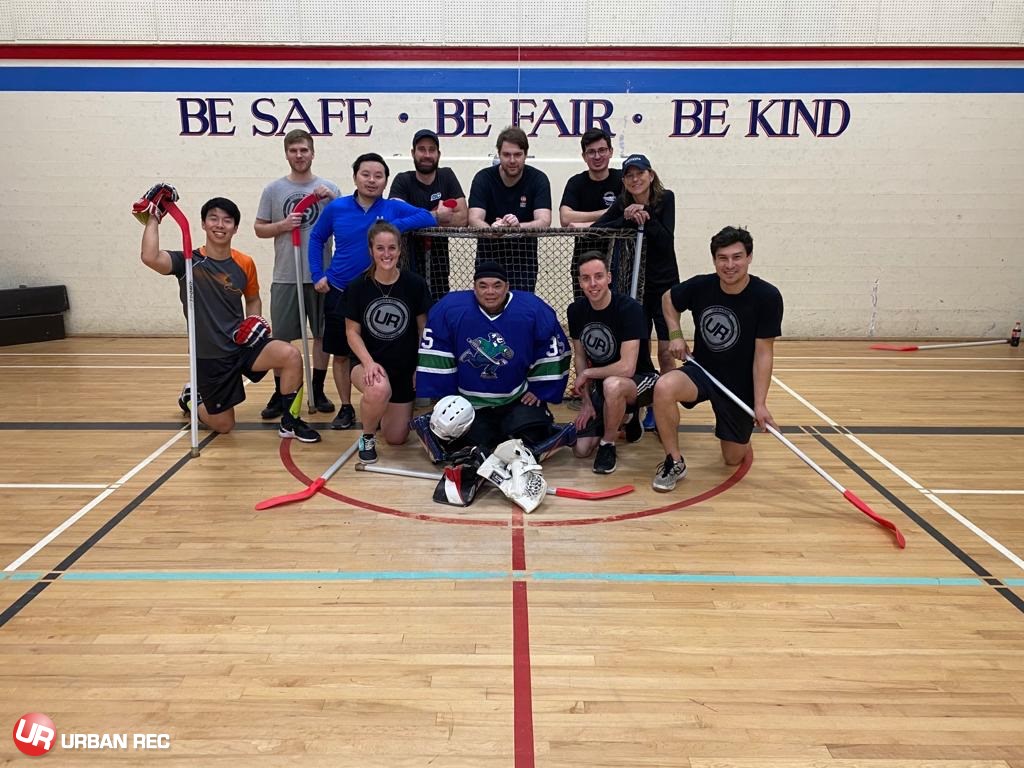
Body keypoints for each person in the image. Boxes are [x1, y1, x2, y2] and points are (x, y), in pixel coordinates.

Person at [137, 189, 320, 442]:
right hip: (211, 356)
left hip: (241, 346)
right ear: (203, 224)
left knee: (290, 355)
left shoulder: (244, 263)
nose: (219, 225)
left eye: (227, 220)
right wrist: (155, 217)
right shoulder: (189, 262)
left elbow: (253, 298)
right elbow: (150, 257)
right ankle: (191, 398)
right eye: (213, 218)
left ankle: (290, 422)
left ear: (235, 228)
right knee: (224, 425)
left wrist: (252, 321)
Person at [308, 152, 450, 431]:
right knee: (340, 354)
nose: (372, 180)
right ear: (355, 177)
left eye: (378, 176)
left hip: (379, 293)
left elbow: (426, 217)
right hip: (340, 289)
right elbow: (316, 238)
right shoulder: (337, 208)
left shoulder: (392, 208)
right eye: (366, 174)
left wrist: (391, 227)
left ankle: (382, 400)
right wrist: (317, 274)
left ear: (385, 180)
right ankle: (347, 408)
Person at [650, 226, 783, 492]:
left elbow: (763, 354)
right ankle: (674, 460)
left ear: (749, 257)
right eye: (723, 258)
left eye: (737, 257)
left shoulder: (767, 297)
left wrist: (760, 404)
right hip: (703, 371)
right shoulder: (702, 286)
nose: (730, 265)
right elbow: (668, 299)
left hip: (739, 384)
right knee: (664, 386)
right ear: (714, 260)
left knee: (732, 458)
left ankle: (733, 428)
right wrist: (675, 334)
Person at [413, 261, 572, 458]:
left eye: (497, 285)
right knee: (468, 446)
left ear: (507, 287)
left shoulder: (532, 309)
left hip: (515, 398)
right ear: (474, 287)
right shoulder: (451, 309)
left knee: (533, 435)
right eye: (483, 285)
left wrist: (539, 389)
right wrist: (447, 396)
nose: (490, 292)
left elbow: (551, 348)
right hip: (470, 404)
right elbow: (437, 349)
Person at [254, 129, 340, 419]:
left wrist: (332, 200)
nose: (299, 155)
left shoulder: (330, 188)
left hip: (321, 275)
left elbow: (345, 222)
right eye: (294, 151)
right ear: (286, 154)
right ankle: (281, 393)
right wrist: (283, 225)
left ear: (312, 153)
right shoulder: (273, 190)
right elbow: (259, 229)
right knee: (282, 339)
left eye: (304, 150)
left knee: (322, 336)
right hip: (286, 275)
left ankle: (317, 388)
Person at [593, 153, 681, 431]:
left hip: (664, 285)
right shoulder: (622, 203)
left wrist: (646, 218)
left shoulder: (666, 199)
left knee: (666, 352)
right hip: (633, 288)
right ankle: (638, 403)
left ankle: (663, 404)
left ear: (650, 175)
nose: (635, 179)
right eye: (629, 175)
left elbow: (666, 240)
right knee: (638, 351)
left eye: (639, 173)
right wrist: (626, 218)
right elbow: (598, 230)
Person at [344, 222, 432, 464]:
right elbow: (352, 332)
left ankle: (379, 411)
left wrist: (420, 365)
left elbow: (424, 329)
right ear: (371, 250)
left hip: (403, 369)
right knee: (378, 387)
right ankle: (367, 436)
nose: (386, 254)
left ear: (400, 249)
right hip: (367, 364)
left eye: (392, 248)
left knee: (396, 438)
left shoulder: (414, 284)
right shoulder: (358, 286)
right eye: (380, 248)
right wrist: (369, 363)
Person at [567, 251, 659, 474]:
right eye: (586, 278)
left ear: (609, 277)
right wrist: (587, 402)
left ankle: (608, 444)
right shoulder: (576, 310)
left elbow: (627, 367)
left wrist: (588, 375)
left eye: (598, 276)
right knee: (581, 449)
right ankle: (627, 419)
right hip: (604, 384)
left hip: (640, 381)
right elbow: (579, 357)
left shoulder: (629, 309)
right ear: (580, 282)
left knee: (613, 384)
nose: (593, 284)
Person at [467, 126, 552, 292]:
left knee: (520, 311)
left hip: (523, 264)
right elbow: (474, 218)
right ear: (499, 154)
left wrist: (517, 227)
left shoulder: (538, 179)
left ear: (525, 155)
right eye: (506, 155)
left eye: (518, 154)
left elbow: (544, 220)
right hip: (488, 259)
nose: (512, 160)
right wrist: (492, 229)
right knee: (488, 309)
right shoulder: (483, 178)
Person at [388, 128, 468, 301]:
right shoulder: (403, 180)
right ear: (413, 153)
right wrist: (436, 216)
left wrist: (415, 220)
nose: (427, 154)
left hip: (439, 267)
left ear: (438, 154)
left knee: (438, 314)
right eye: (422, 149)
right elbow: (395, 219)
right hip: (407, 266)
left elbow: (462, 217)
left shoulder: (446, 176)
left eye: (432, 150)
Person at [559, 128, 622, 300]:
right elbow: (566, 217)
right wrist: (609, 212)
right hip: (584, 261)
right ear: (584, 156)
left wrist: (586, 225)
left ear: (610, 152)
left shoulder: (622, 179)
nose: (597, 156)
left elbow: (627, 211)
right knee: (585, 311)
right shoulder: (576, 183)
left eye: (602, 150)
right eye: (591, 152)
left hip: (618, 261)